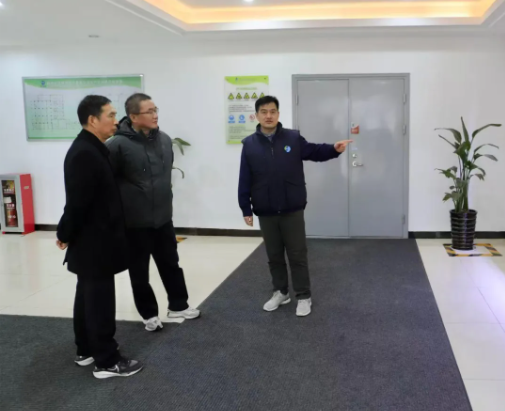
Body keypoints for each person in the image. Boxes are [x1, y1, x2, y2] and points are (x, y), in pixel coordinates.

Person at [238, 95, 352, 317]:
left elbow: (314, 151)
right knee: (274, 256)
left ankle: (303, 295)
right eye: (264, 112)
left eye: (273, 111)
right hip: (266, 210)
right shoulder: (249, 144)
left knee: (297, 255)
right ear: (257, 116)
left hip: (292, 208)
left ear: (278, 114)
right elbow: (245, 178)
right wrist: (246, 208)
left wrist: (334, 149)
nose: (269, 116)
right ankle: (281, 292)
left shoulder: (292, 138)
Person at [57, 95, 143, 379]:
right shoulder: (85, 153)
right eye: (111, 115)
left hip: (96, 240)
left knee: (87, 295)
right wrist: (64, 232)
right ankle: (107, 361)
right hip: (94, 242)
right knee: (100, 301)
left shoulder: (93, 148)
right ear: (93, 120)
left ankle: (86, 349)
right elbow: (77, 203)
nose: (116, 121)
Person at [106, 93, 200, 332]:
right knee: (139, 271)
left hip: (163, 218)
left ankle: (179, 305)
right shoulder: (116, 145)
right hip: (135, 222)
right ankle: (148, 314)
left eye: (155, 109)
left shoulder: (165, 140)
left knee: (171, 263)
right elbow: (107, 183)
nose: (155, 115)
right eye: (149, 111)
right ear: (133, 116)